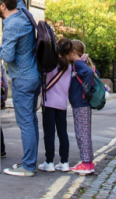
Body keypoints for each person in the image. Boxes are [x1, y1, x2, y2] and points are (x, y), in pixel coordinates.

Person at [0, 0, 40, 177]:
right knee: (31, 121)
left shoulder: (11, 25)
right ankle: (30, 161)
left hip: (22, 78)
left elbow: (8, 56)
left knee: (26, 123)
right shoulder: (25, 14)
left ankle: (28, 166)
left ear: (3, 6)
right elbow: (19, 2)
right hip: (34, 76)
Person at [38, 39, 73, 172]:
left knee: (49, 133)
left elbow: (44, 81)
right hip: (62, 103)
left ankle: (49, 161)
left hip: (49, 102)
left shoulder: (51, 63)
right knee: (62, 133)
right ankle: (64, 161)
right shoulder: (69, 67)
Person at [66, 39, 97, 175]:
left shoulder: (78, 63)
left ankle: (85, 164)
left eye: (68, 51)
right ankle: (88, 163)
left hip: (80, 103)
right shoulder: (80, 63)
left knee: (81, 134)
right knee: (85, 133)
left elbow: (89, 73)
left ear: (73, 52)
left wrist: (86, 91)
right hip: (82, 104)